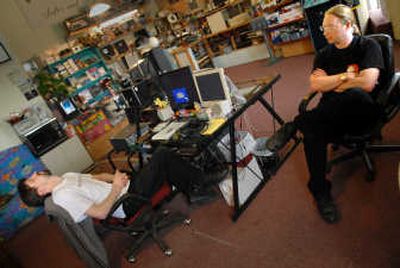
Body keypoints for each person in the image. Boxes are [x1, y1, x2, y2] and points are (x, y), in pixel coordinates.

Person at [266, 4, 384, 223]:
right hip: (328, 115)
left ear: (348, 25)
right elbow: (315, 84)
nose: (325, 31)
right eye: (323, 28)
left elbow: (367, 83)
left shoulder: (369, 46)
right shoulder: (323, 55)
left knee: (355, 95)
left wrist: (332, 83)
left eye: (330, 26)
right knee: (312, 133)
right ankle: (321, 193)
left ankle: (296, 124)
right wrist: (344, 79)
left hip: (361, 111)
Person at [18, 147, 223, 223]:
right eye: (33, 179)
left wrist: (115, 176)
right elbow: (100, 213)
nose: (35, 173)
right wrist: (116, 187)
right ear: (41, 191)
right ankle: (199, 182)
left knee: (161, 159)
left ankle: (194, 189)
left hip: (124, 189)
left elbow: (97, 178)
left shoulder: (66, 177)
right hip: (125, 203)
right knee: (161, 155)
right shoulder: (62, 195)